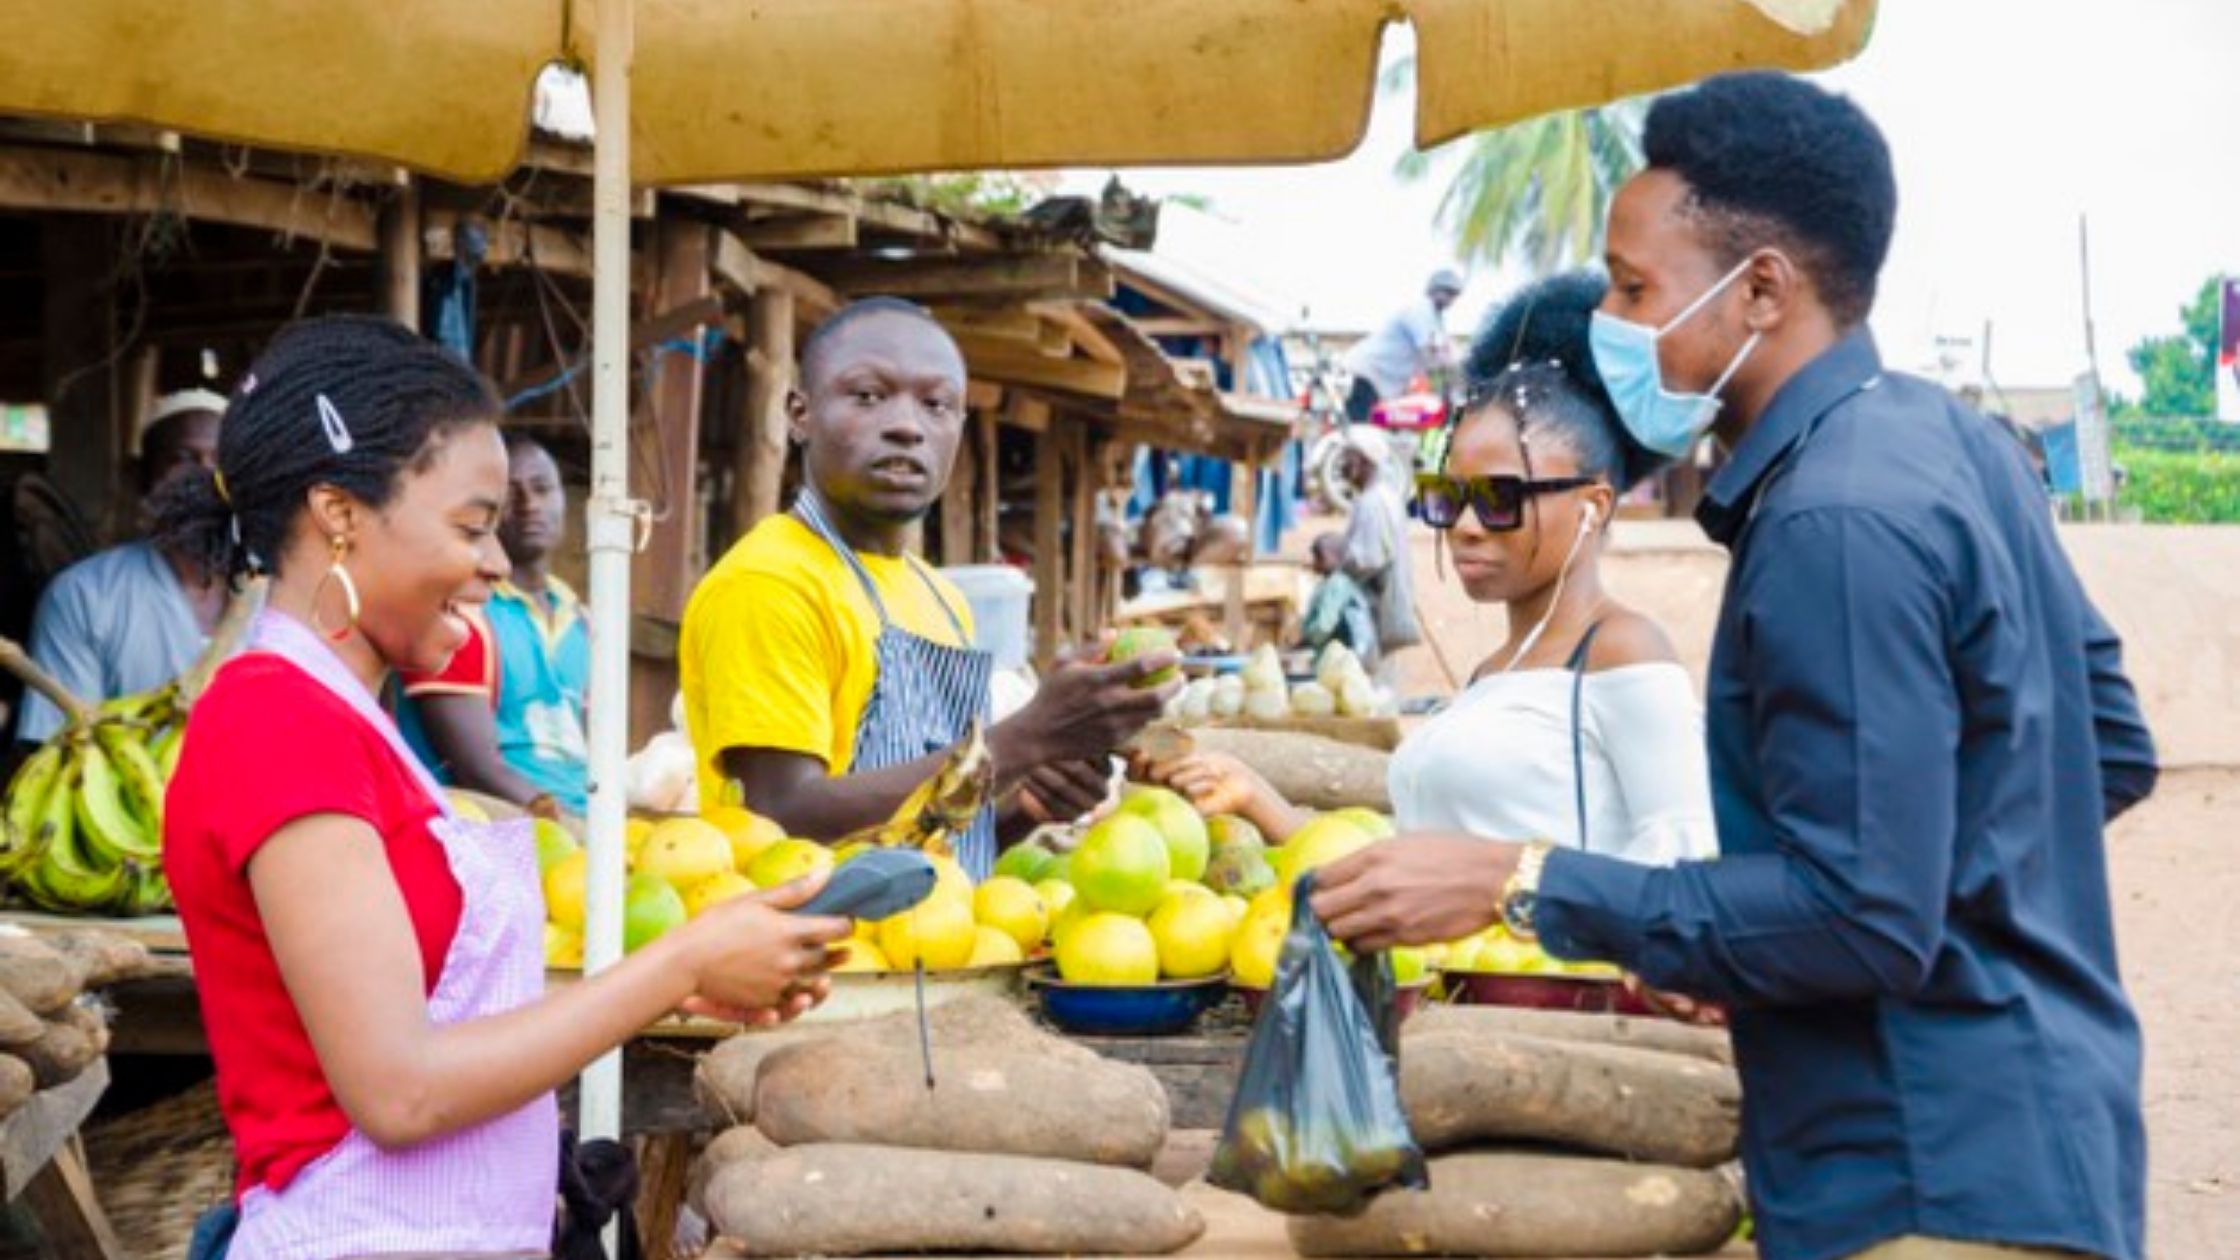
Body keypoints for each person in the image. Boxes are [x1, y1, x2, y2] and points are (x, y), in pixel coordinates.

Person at [1310, 73, 2157, 1260]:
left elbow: (1861, 917)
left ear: (1759, 289)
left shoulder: (1832, 522)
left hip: (1917, 1173)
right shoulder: (1950, 443)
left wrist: (1520, 879)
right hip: (2042, 1134)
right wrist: (1882, 889)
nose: (1607, 319)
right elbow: (2103, 745)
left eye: (1632, 286)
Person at [155, 316, 847, 1259]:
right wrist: (679, 965)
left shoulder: (349, 722)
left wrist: (687, 982)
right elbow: (402, 1090)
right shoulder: (277, 724)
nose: (493, 562)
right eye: (470, 527)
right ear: (340, 516)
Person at [1153, 273, 1714, 870]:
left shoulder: (1622, 651)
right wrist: (1258, 800)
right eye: (1446, 497)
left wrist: (1508, 900)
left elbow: (1688, 866)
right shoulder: (1491, 675)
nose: (1465, 525)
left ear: (1592, 507)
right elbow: (1421, 868)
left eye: (1499, 497)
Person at [680, 298, 1177, 879]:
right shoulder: (769, 584)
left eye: (936, 404)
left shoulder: (938, 597)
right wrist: (1025, 739)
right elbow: (782, 820)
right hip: (826, 962)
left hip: (930, 956)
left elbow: (932, 843)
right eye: (867, 395)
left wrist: (1027, 809)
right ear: (799, 414)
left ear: (959, 427)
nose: (906, 426)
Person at [14, 389, 229, 743]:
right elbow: (61, 753)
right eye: (182, 458)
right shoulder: (85, 597)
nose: (204, 477)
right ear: (140, 476)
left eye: (221, 461)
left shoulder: (280, 591)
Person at [396, 434, 590, 819]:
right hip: (506, 823)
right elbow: (477, 768)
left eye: (542, 488)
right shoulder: (460, 615)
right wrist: (573, 828)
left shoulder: (584, 623)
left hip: (585, 820)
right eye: (511, 494)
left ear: (565, 498)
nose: (530, 505)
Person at [1334, 428, 1421, 671]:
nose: (1342, 465)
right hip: (1382, 605)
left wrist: (1337, 562)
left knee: (1371, 680)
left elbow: (1368, 560)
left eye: (1348, 458)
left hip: (1375, 610)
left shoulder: (1373, 502)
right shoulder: (1384, 497)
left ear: (1362, 461)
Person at [1343, 269, 1463, 424]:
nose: (1450, 299)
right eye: (1446, 292)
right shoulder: (1420, 310)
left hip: (1385, 383)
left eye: (1454, 294)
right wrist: (1445, 386)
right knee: (1362, 433)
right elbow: (1431, 354)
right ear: (1433, 290)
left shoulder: (1436, 320)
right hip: (1368, 374)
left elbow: (1448, 353)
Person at [1295, 532, 1379, 668]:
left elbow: (1323, 626)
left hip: (1345, 657)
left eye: (1319, 557)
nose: (1314, 562)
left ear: (1333, 557)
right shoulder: (1330, 583)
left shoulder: (1337, 585)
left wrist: (1306, 641)